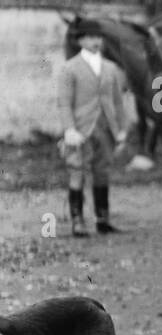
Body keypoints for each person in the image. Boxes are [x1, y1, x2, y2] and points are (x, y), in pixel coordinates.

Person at [59, 18, 129, 236]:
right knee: (77, 172)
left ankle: (103, 219)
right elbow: (64, 103)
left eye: (98, 37)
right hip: (81, 129)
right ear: (80, 41)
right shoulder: (70, 69)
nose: (95, 41)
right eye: (90, 37)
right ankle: (77, 221)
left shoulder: (110, 68)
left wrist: (122, 129)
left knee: (102, 172)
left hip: (105, 127)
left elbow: (118, 102)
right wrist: (69, 129)